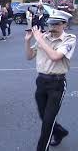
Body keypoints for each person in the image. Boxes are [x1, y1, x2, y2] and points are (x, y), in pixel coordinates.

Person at [25, 10, 76, 151]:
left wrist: (40, 39)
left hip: (57, 83)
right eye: (50, 23)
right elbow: (29, 56)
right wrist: (28, 40)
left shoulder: (70, 39)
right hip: (41, 81)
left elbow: (55, 56)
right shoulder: (45, 37)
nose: (51, 27)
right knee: (43, 116)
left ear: (64, 24)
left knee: (47, 122)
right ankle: (60, 132)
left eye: (56, 24)